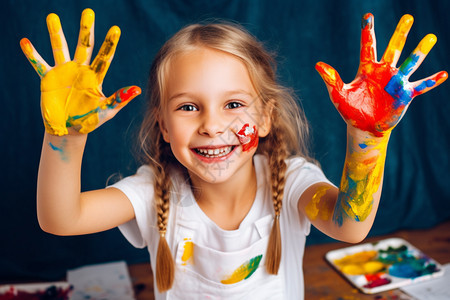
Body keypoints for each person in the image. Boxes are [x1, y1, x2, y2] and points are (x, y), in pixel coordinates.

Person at [20, 8, 447, 299]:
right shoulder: (154, 191)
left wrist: (368, 137)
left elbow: (350, 228)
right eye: (188, 107)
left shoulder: (292, 180)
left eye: (234, 104)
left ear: (264, 118)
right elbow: (61, 219)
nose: (211, 124)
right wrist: (65, 138)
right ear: (164, 126)